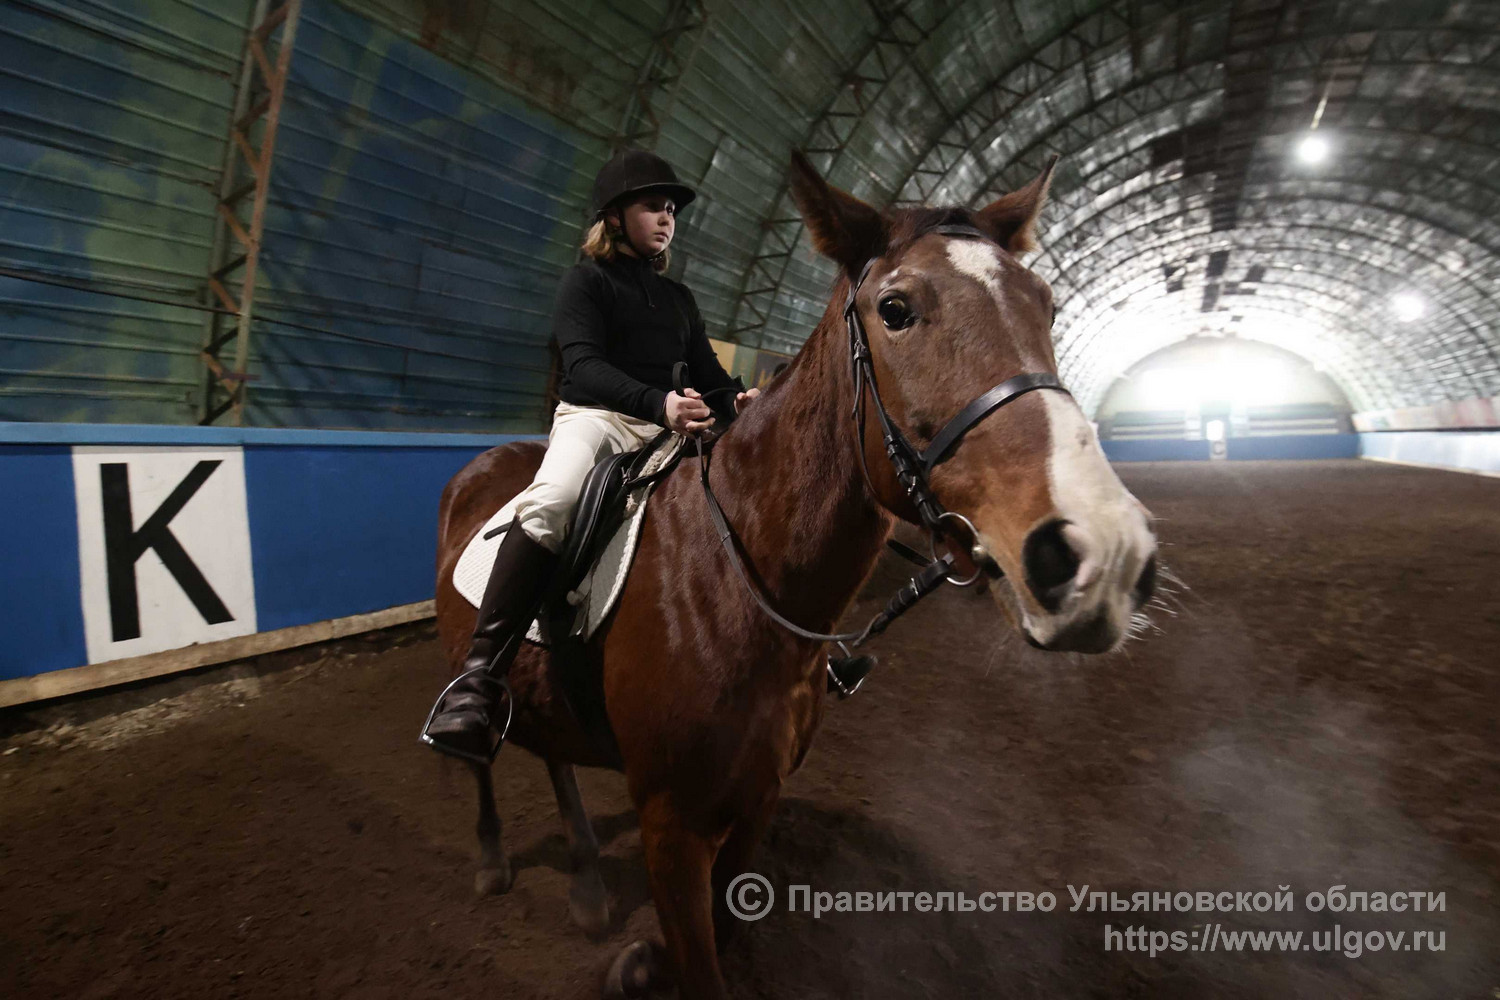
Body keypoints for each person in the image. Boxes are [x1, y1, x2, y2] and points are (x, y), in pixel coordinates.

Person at [423, 149, 759, 761]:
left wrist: (744, 403)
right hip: (598, 422)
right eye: (653, 207)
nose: (667, 219)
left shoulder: (678, 299)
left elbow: (712, 378)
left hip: (666, 427)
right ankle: (476, 681)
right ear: (614, 215)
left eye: (671, 211)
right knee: (551, 501)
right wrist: (659, 404)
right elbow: (584, 367)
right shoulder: (587, 282)